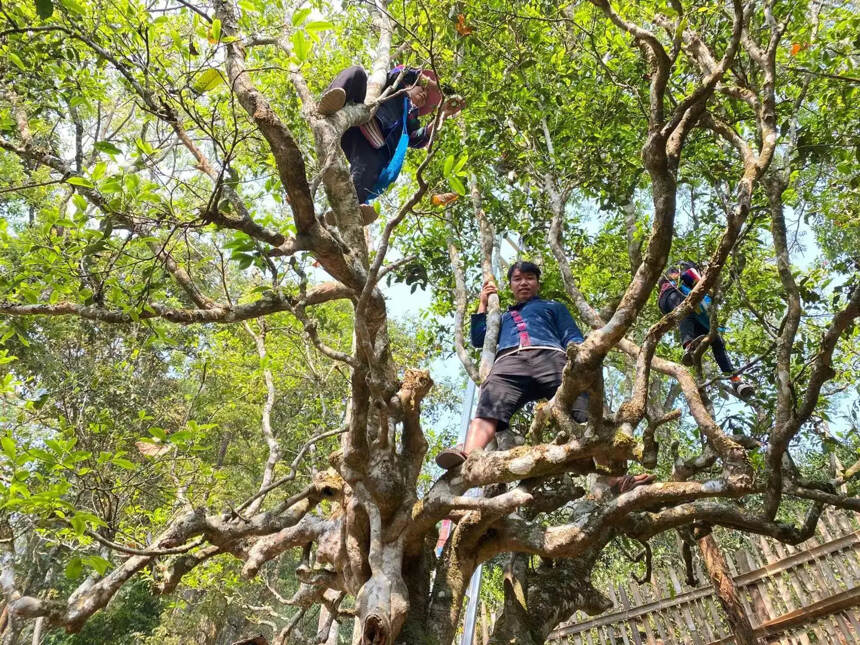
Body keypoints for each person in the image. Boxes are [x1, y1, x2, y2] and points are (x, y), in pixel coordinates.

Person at [435, 261, 654, 493]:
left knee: (586, 411)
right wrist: (483, 303)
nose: (524, 283)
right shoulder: (503, 316)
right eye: (518, 279)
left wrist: (580, 360)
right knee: (490, 400)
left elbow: (571, 334)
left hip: (551, 358)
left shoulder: (552, 306)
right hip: (510, 361)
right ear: (510, 285)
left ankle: (614, 478)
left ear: (538, 283)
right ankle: (469, 456)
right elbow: (480, 338)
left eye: (529, 278)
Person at [317, 65, 465, 224]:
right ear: (410, 84)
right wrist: (436, 87)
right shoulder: (395, 84)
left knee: (369, 168)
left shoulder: (409, 119)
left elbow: (419, 138)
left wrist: (443, 114)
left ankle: (346, 210)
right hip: (359, 114)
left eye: (427, 97)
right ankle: (329, 106)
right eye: (422, 88)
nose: (424, 94)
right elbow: (403, 73)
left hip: (373, 143)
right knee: (356, 73)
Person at [657, 261, 755, 399]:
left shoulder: (699, 291)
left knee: (717, 341)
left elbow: (706, 304)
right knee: (687, 310)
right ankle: (689, 347)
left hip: (687, 308)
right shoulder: (685, 268)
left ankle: (736, 381)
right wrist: (707, 281)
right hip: (671, 295)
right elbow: (688, 275)